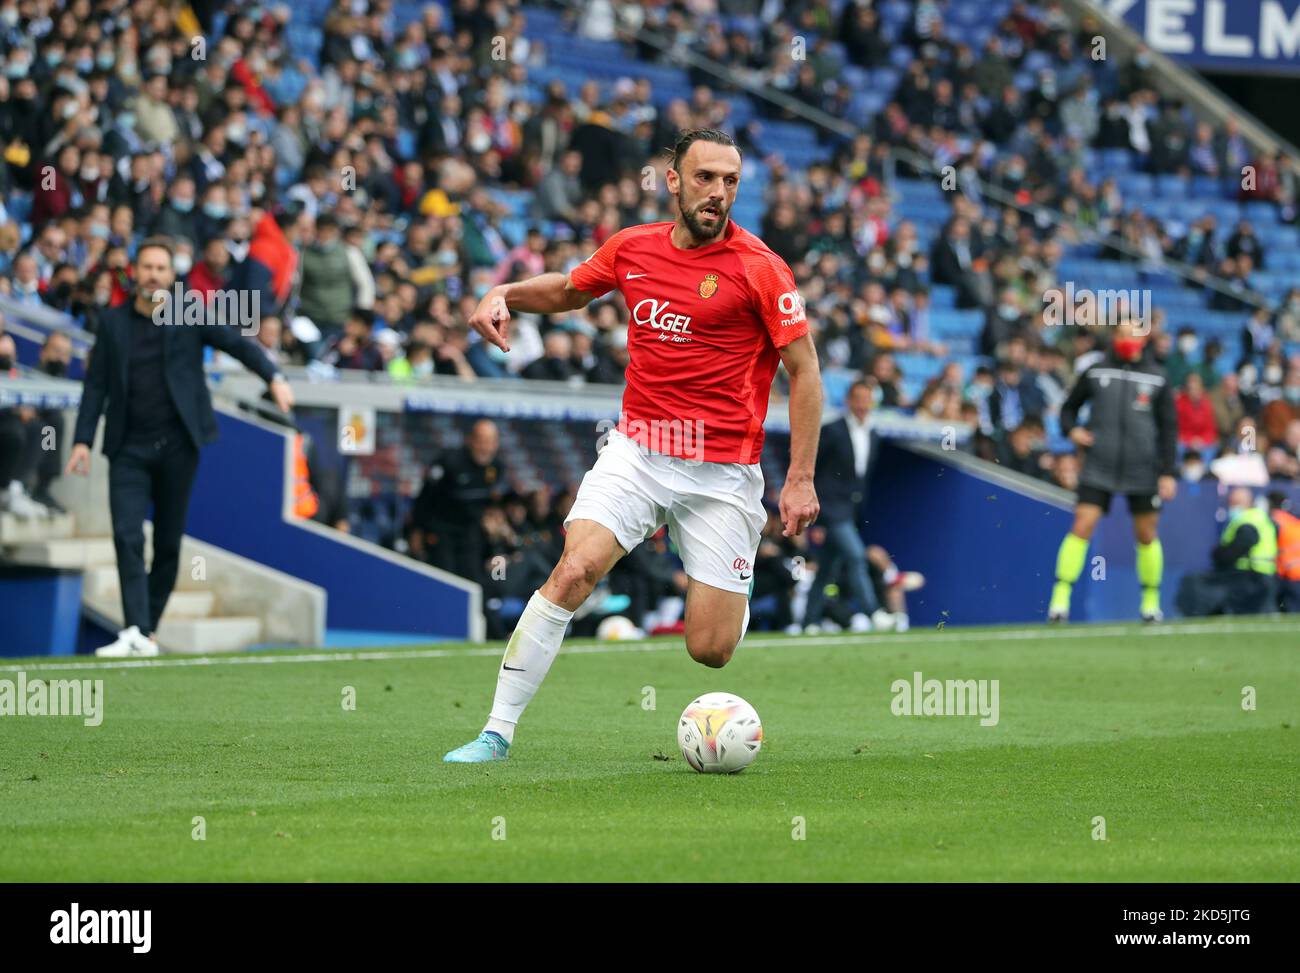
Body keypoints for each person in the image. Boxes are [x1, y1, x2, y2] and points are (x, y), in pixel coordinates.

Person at [443, 129, 822, 762]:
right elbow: (568, 290)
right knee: (573, 570)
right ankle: (496, 732)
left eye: (730, 181)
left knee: (711, 650)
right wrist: (503, 293)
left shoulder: (761, 268)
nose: (718, 193)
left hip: (722, 473)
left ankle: (730, 581)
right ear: (673, 180)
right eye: (705, 178)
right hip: (639, 451)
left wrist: (801, 477)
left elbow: (805, 373)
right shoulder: (633, 249)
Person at [65, 237, 294, 657]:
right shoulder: (112, 323)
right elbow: (95, 386)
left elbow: (236, 343)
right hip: (127, 447)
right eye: (147, 267)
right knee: (127, 535)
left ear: (172, 277)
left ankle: (146, 629)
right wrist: (82, 440)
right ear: (134, 272)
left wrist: (273, 377)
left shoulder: (188, 315)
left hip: (178, 446)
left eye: (161, 269)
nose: (153, 275)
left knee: (168, 543)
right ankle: (134, 628)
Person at [1048, 320, 1178, 623]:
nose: (1126, 339)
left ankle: (1150, 603)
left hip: (1143, 468)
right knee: (1082, 524)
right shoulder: (1096, 371)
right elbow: (1068, 408)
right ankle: (1059, 600)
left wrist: (1168, 471)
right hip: (1099, 465)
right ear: (1114, 337)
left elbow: (1169, 428)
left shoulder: (1158, 377)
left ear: (1144, 339)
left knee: (1146, 533)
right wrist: (1073, 431)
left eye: (1133, 334)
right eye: (1121, 333)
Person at [804, 380, 887, 633]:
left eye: (867, 399)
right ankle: (873, 612)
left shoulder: (873, 433)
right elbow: (812, 469)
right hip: (830, 509)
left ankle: (809, 622)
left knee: (826, 568)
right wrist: (815, 515)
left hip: (850, 510)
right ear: (849, 401)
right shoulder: (831, 430)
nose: (863, 404)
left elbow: (860, 478)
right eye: (858, 398)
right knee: (855, 556)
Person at [1175, 487, 1278, 617]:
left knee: (1194, 582)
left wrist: (1219, 553)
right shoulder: (1262, 518)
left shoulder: (1247, 521)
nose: (1232, 507)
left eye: (1236, 503)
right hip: (1264, 577)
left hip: (1249, 576)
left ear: (1248, 502)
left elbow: (1239, 547)